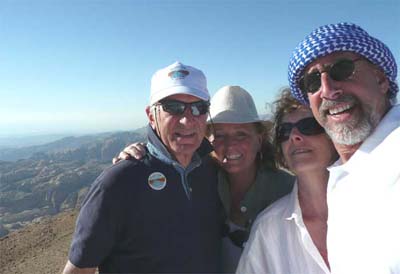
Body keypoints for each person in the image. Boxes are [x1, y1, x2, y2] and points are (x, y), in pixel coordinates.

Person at [62, 61, 221, 274]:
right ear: (151, 116)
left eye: (199, 108)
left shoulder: (212, 170)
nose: (187, 119)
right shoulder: (119, 182)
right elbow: (78, 270)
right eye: (173, 107)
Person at [115, 85, 294, 272]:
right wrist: (140, 157)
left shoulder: (287, 192)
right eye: (219, 135)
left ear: (259, 140)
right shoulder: (199, 179)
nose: (230, 145)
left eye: (241, 135)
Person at [288, 22, 400, 273]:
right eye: (313, 81)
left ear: (380, 79)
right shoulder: (340, 178)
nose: (327, 90)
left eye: (342, 69)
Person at [236, 88, 336, 274]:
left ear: (333, 136)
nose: (294, 137)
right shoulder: (267, 229)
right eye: (284, 131)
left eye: (309, 126)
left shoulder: (382, 206)